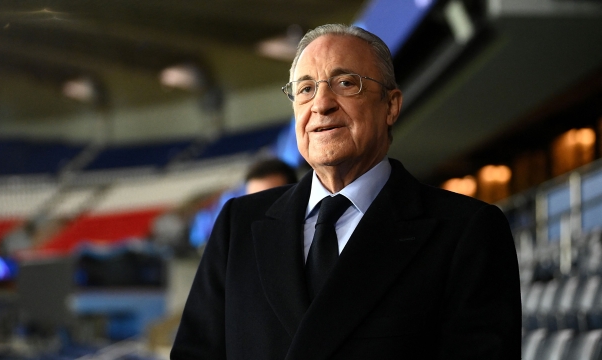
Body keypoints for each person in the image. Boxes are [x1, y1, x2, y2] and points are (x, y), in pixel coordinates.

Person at [171, 24, 521, 359]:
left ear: (391, 105)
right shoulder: (238, 225)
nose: (321, 104)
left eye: (344, 83)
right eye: (306, 89)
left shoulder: (467, 230)